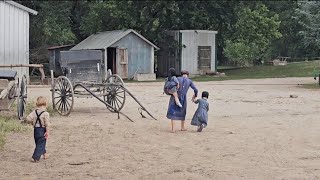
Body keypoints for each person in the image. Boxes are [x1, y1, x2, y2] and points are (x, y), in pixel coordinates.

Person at [25, 96, 50, 162]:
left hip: (36, 130)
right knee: (41, 143)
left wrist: (32, 123)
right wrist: (47, 132)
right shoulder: (45, 113)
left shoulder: (34, 112)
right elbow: (47, 124)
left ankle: (44, 154)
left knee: (39, 143)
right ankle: (35, 157)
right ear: (45, 104)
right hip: (42, 129)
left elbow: (28, 118)